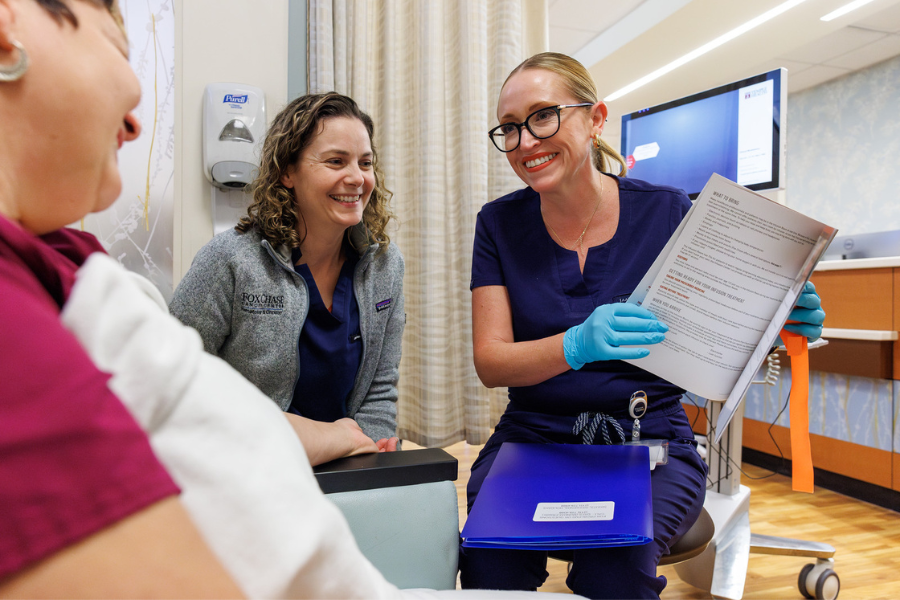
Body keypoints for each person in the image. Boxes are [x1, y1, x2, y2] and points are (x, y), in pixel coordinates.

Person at [458, 52, 825, 600]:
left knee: (617, 564)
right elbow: (492, 361)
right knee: (489, 562)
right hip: (535, 434)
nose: (525, 142)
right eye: (509, 128)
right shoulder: (499, 224)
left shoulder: (669, 213)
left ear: (596, 118)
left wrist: (773, 316)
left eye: (542, 116)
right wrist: (575, 344)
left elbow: (715, 330)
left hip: (646, 438)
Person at [170, 92, 403, 460]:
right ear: (287, 172)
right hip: (248, 466)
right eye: (335, 161)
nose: (357, 178)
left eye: (365, 162)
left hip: (349, 461)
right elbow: (170, 380)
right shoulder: (230, 261)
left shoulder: (384, 267)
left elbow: (379, 390)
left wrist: (368, 452)